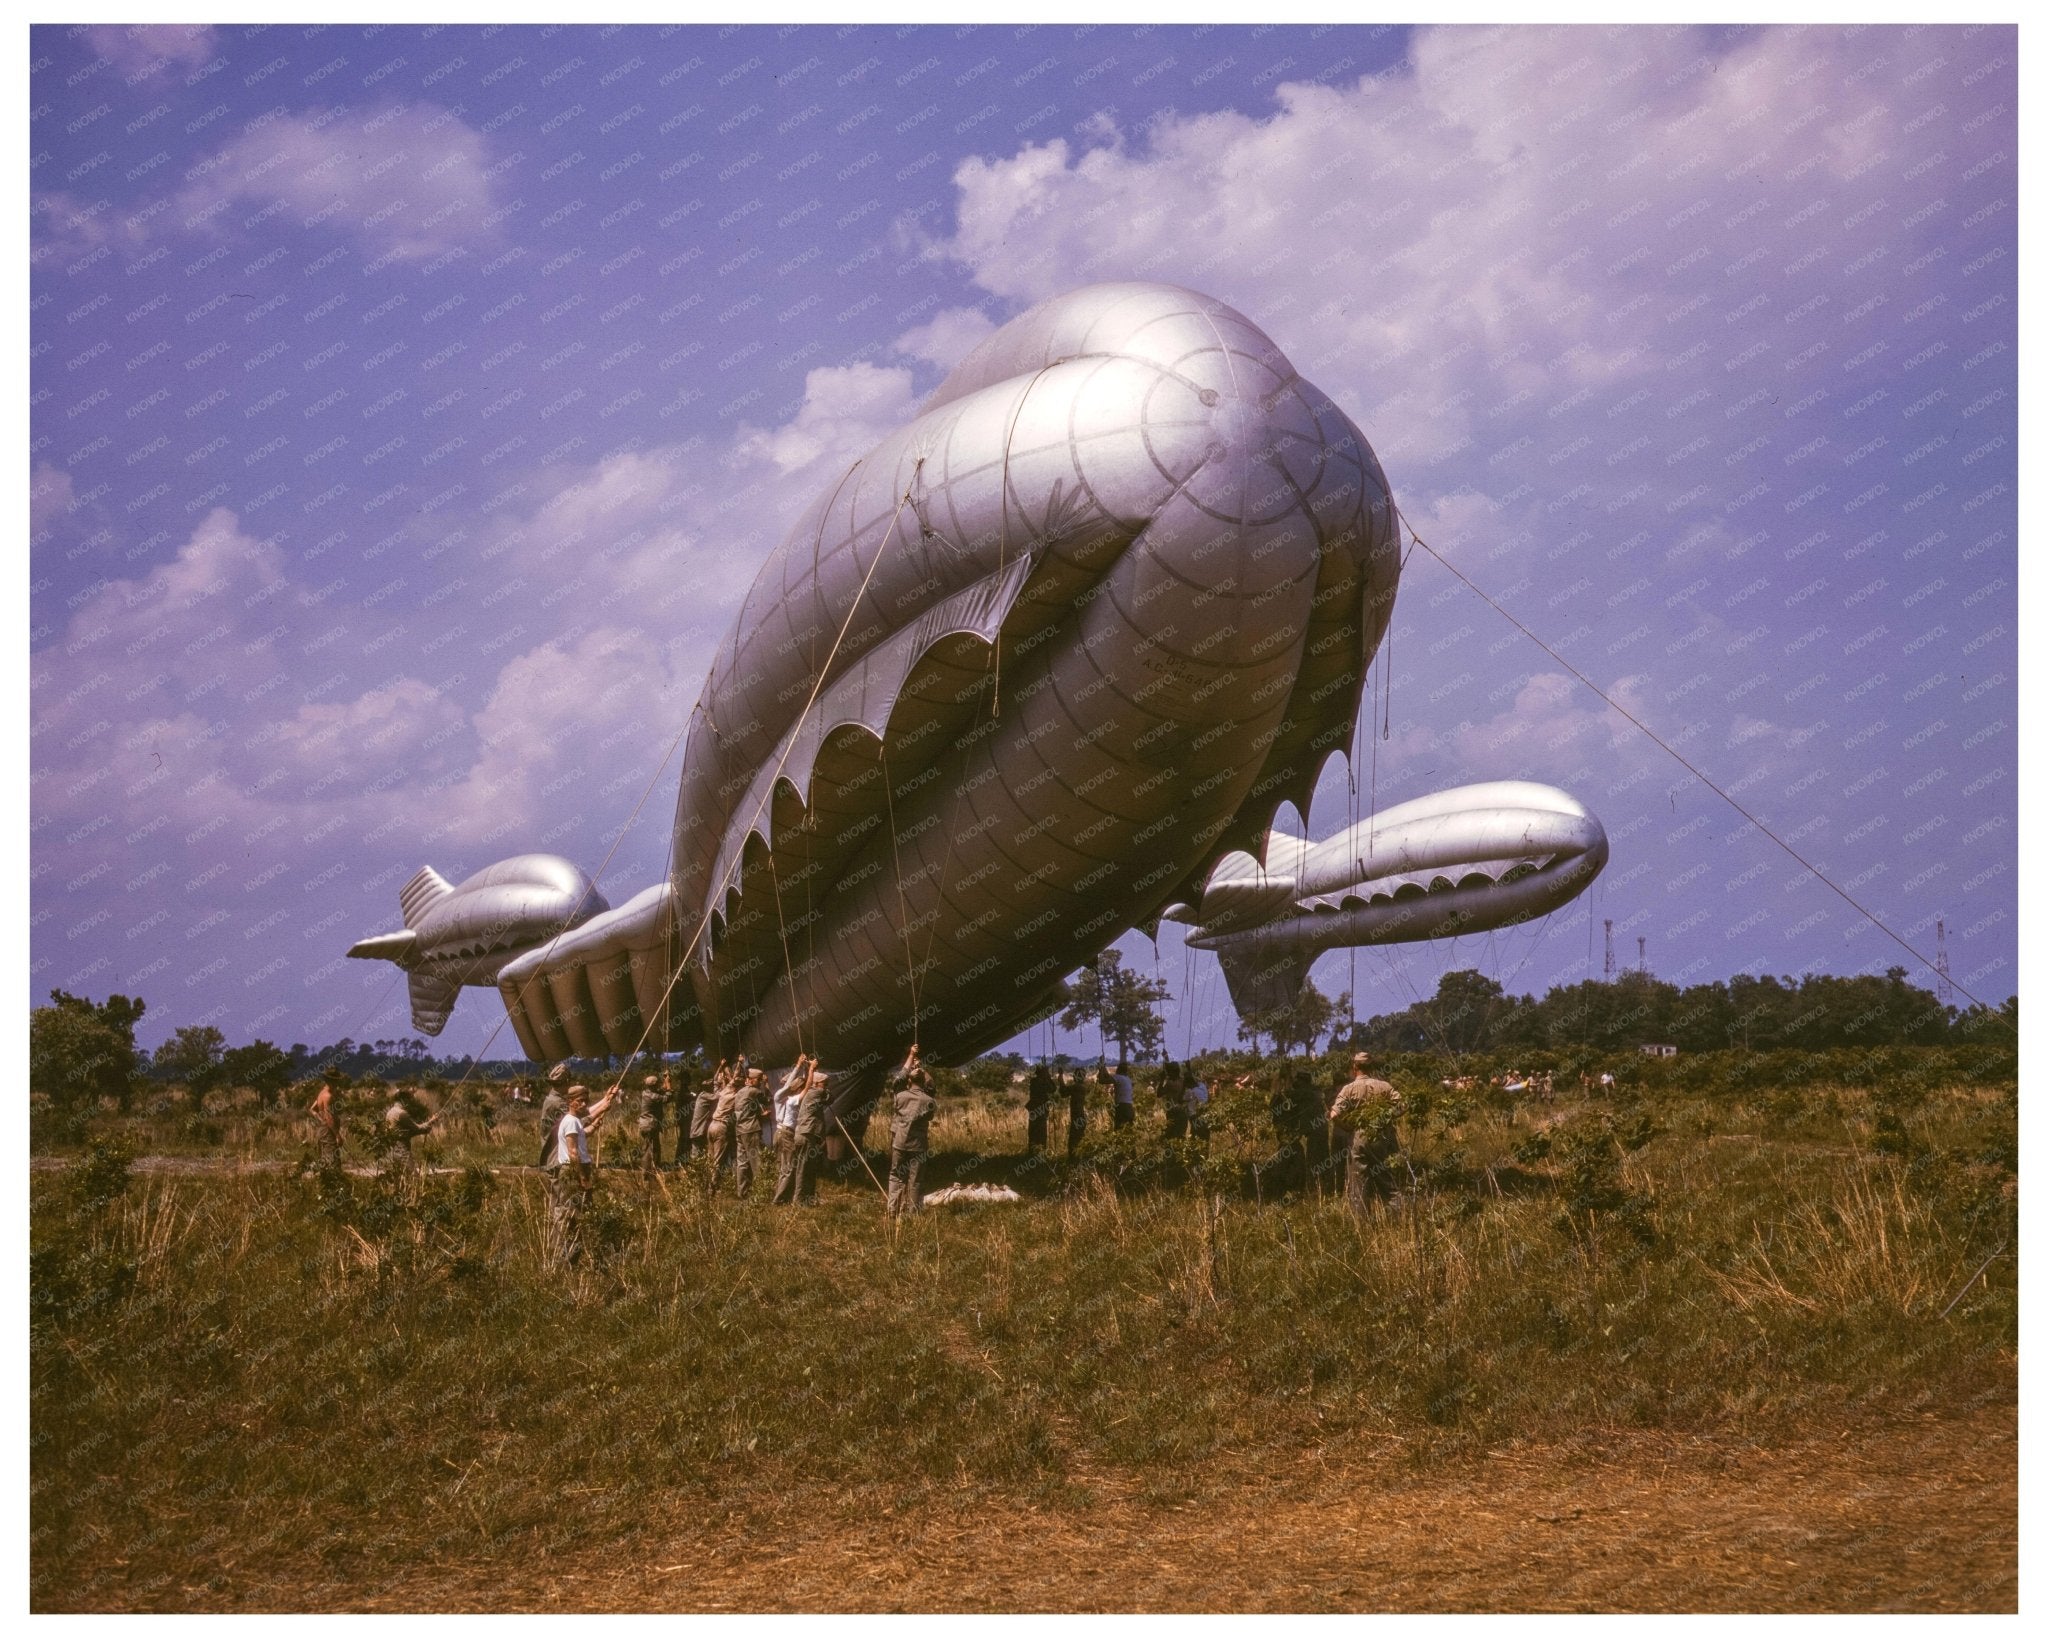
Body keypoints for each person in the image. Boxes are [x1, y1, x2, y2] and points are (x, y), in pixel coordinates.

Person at [546, 1082, 620, 1266]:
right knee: (574, 1216)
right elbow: (573, 1153)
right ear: (571, 1102)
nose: (585, 1104)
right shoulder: (571, 1121)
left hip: (577, 1169)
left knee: (580, 1215)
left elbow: (582, 1133)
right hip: (574, 1171)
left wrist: (595, 1123)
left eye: (586, 1101)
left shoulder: (574, 1121)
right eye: (580, 1101)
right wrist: (583, 1178)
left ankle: (575, 1258)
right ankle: (567, 1260)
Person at [1329, 1052, 1403, 1214]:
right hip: (1381, 1137)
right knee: (1388, 1183)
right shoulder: (1384, 1086)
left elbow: (1334, 1114)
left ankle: (1362, 1229)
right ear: (1371, 1067)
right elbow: (1402, 1106)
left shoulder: (1348, 1089)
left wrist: (1348, 1128)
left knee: (1358, 1188)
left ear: (1355, 1067)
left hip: (1358, 1139)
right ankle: (1399, 1221)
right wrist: (1384, 1120)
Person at [886, 1048, 938, 1215]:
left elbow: (898, 1080)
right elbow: (931, 1086)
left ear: (909, 1080)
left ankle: (892, 1210)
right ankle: (912, 1212)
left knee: (896, 1176)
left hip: (899, 1142)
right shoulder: (929, 1101)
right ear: (923, 1081)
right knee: (915, 1181)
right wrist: (922, 1069)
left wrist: (910, 1057)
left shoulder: (900, 1096)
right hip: (918, 1145)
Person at [771, 1058, 808, 1202]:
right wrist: (799, 1066)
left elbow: (801, 1086)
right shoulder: (781, 1096)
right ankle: (779, 1199)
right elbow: (795, 1086)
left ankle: (781, 1194)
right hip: (786, 1133)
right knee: (788, 1167)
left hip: (780, 1132)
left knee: (783, 1166)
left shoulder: (788, 1099)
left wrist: (804, 1069)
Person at [730, 1066, 769, 1198]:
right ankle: (761, 1192)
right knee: (756, 1161)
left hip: (739, 1130)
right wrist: (766, 1084)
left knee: (742, 1162)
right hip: (751, 1129)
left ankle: (742, 1192)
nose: (760, 1081)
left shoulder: (740, 1092)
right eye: (759, 1079)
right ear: (752, 1080)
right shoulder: (753, 1091)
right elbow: (767, 1099)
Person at [382, 1088, 438, 1171]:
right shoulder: (402, 1114)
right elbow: (417, 1129)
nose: (409, 1102)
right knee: (412, 1175)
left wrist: (427, 1126)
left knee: (397, 1175)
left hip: (391, 1149)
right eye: (408, 1100)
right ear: (403, 1100)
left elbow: (406, 1131)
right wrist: (432, 1121)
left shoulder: (389, 1112)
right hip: (402, 1149)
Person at [689, 1060, 725, 1166]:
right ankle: (694, 1173)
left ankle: (697, 1173)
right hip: (697, 1130)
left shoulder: (703, 1094)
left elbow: (713, 1082)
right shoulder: (705, 1096)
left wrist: (720, 1066)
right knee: (696, 1154)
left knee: (699, 1152)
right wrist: (722, 1084)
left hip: (698, 1129)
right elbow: (719, 1095)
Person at [706, 1061, 738, 1179]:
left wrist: (720, 1066)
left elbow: (715, 1082)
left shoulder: (720, 1093)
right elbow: (733, 1081)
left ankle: (709, 1182)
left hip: (711, 1126)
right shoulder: (734, 1095)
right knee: (718, 1159)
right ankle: (713, 1186)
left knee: (711, 1157)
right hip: (721, 1127)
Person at [537, 1063, 569, 1168]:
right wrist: (604, 1103)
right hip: (555, 1158)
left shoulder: (551, 1099)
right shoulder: (558, 1103)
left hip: (551, 1158)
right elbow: (579, 1120)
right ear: (566, 1082)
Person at [308, 1081, 342, 1171]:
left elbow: (312, 1109)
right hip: (328, 1132)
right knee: (333, 1162)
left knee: (324, 1160)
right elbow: (328, 1117)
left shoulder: (322, 1093)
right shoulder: (328, 1096)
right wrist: (337, 1135)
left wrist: (320, 1119)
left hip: (322, 1129)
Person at [635, 1075, 666, 1174]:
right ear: (654, 1085)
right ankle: (649, 1171)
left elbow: (660, 1091)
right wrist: (669, 1087)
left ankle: (649, 1169)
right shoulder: (652, 1096)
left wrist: (666, 1081)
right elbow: (667, 1098)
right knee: (652, 1148)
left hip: (644, 1124)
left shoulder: (645, 1093)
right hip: (650, 1125)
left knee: (648, 1147)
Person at [1025, 1061, 1054, 1155]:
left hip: (1034, 1110)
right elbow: (1053, 1089)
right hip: (1040, 1110)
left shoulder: (1034, 1081)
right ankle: (1040, 1151)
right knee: (1041, 1132)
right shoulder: (1041, 1082)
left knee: (1033, 1132)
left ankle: (1033, 1151)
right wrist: (1049, 1077)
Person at [1159, 1058, 1188, 1143]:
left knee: (1171, 1137)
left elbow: (1159, 1094)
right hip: (1182, 1112)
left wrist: (1161, 1080)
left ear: (1173, 1072)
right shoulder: (1183, 1081)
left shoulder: (1170, 1082)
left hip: (1172, 1112)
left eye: (1169, 1072)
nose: (1168, 1074)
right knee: (1180, 1138)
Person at [1065, 1069, 1088, 1158]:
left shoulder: (1077, 1087)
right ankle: (1079, 1159)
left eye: (1075, 1075)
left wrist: (1060, 1078)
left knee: (1073, 1141)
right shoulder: (1082, 1087)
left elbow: (1063, 1092)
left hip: (1077, 1117)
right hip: (1080, 1116)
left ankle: (1074, 1159)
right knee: (1078, 1139)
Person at [1110, 1061, 1135, 1129]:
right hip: (1130, 1107)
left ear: (1118, 1069)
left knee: (1119, 1129)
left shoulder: (1117, 1077)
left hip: (1121, 1106)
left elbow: (1103, 1080)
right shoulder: (1128, 1079)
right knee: (1129, 1131)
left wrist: (1101, 1068)